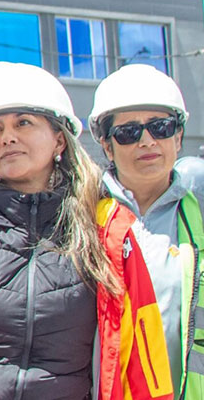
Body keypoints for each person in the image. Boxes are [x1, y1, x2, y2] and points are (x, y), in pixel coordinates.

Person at [0, 62, 172, 400]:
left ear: (59, 140)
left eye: (23, 122)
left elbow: (144, 359)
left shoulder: (108, 232)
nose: (7, 137)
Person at [90, 64, 204, 398]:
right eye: (128, 132)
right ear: (107, 146)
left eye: (160, 127)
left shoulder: (199, 212)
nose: (147, 140)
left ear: (179, 137)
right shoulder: (79, 219)